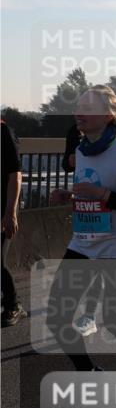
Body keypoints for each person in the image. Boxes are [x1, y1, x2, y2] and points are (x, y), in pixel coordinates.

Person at [45, 86, 116, 370]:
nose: (79, 114)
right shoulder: (80, 151)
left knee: (114, 320)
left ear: (106, 116)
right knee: (57, 317)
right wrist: (68, 195)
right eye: (77, 108)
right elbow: (88, 190)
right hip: (83, 242)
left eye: (87, 109)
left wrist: (102, 194)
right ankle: (88, 372)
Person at [61, 122, 116, 336]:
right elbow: (67, 163)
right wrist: (75, 161)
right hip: (89, 213)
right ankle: (93, 314)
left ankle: (105, 309)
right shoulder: (75, 132)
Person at [1, 121, 26, 327]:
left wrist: (10, 213)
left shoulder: (3, 131)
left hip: (4, 206)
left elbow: (15, 175)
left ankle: (13, 304)